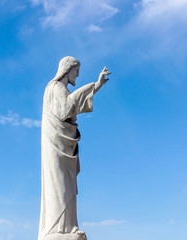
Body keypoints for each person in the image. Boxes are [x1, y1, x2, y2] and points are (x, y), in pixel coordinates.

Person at [38, 56, 111, 240]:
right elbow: (66, 109)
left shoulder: (60, 89)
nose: (77, 77)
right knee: (59, 186)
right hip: (56, 146)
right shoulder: (55, 88)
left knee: (67, 187)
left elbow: (70, 106)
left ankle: (68, 226)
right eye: (76, 73)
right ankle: (57, 229)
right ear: (67, 70)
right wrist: (93, 86)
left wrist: (97, 86)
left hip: (63, 146)